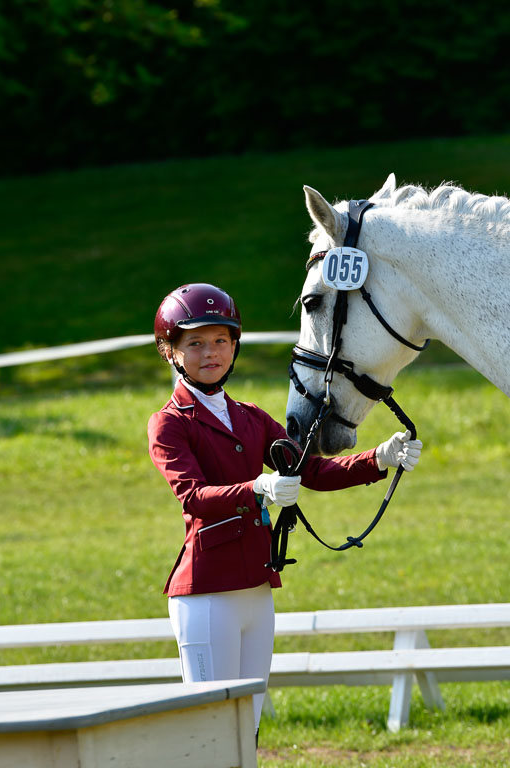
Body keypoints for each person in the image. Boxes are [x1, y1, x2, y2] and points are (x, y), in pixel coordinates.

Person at [147, 282, 422, 743]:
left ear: (235, 346)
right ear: (170, 351)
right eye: (194, 343)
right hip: (207, 590)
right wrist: (258, 487)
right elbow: (192, 496)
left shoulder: (252, 417)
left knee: (248, 729)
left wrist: (378, 459)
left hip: (256, 587)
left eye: (221, 341)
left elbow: (309, 470)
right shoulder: (169, 423)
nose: (210, 353)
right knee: (214, 730)